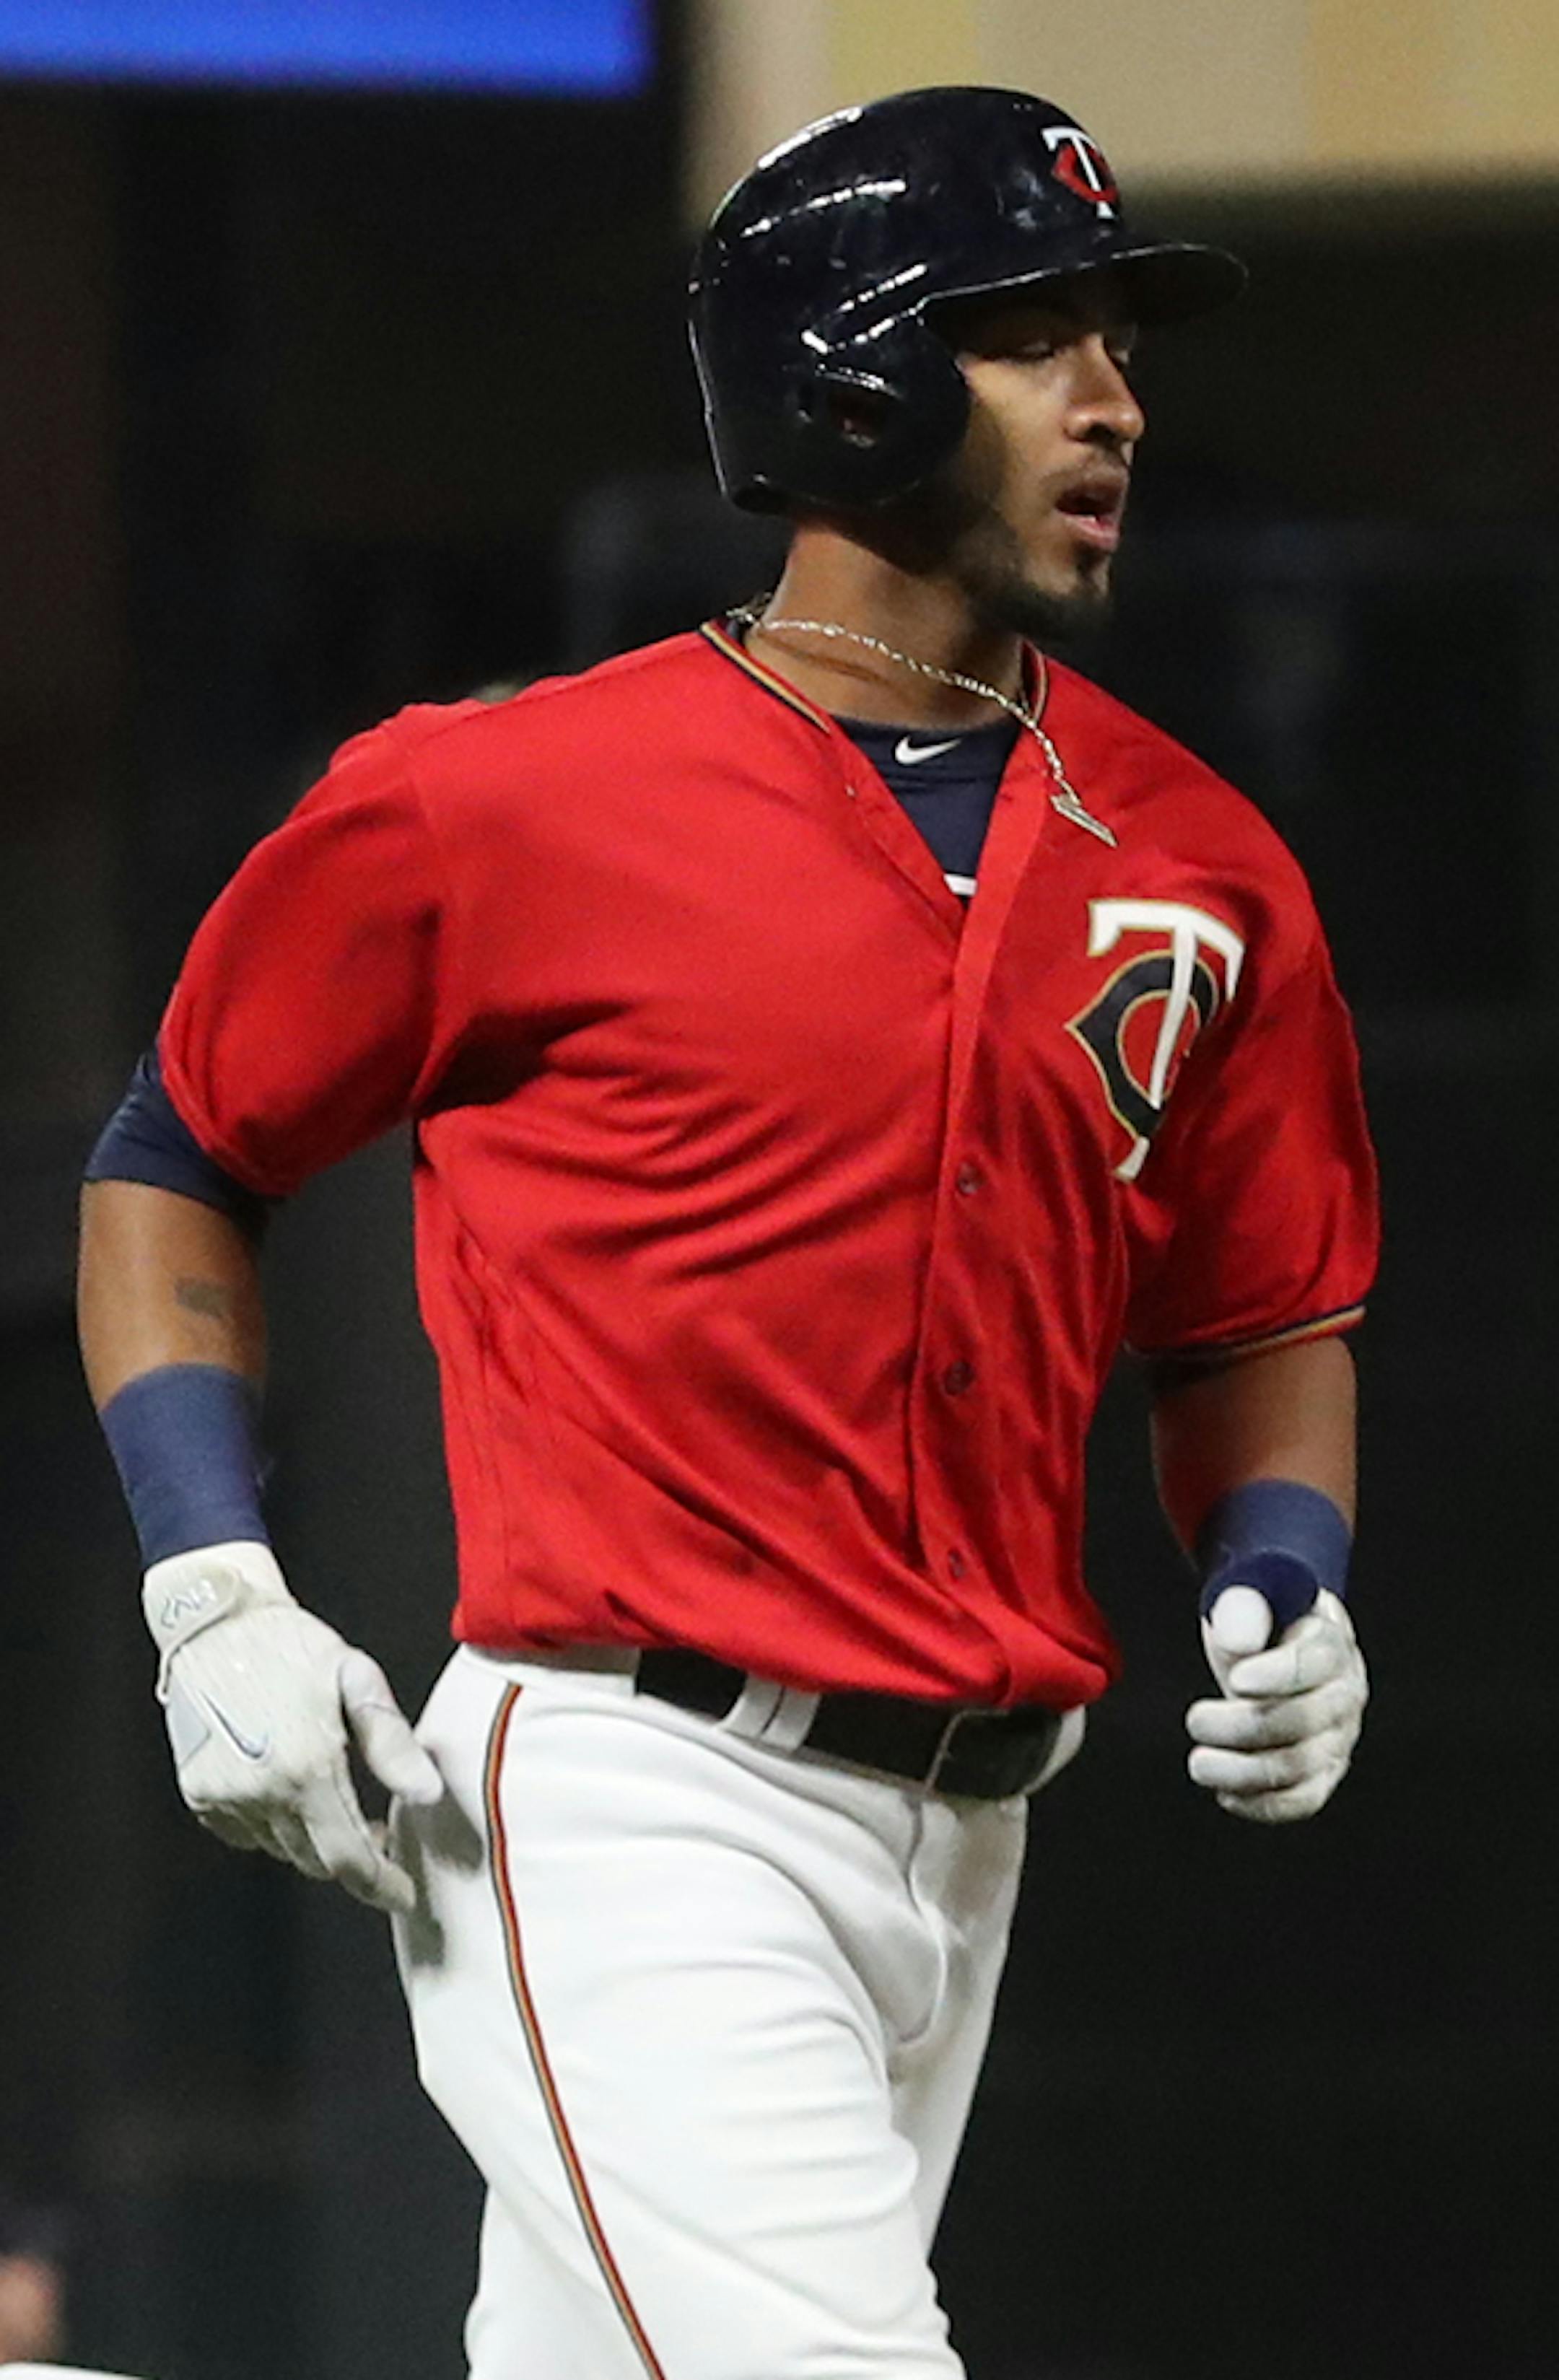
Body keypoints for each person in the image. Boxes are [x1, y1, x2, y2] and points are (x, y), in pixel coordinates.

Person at [78, 86, 1377, 2380]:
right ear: (847, 370)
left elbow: (1257, 1315)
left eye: (1124, 344)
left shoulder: (1204, 863)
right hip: (627, 1790)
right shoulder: (500, 799)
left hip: (968, 1843)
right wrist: (210, 1581)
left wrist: (1285, 1558)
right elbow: (175, 1157)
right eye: (1032, 335)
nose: (1115, 399)